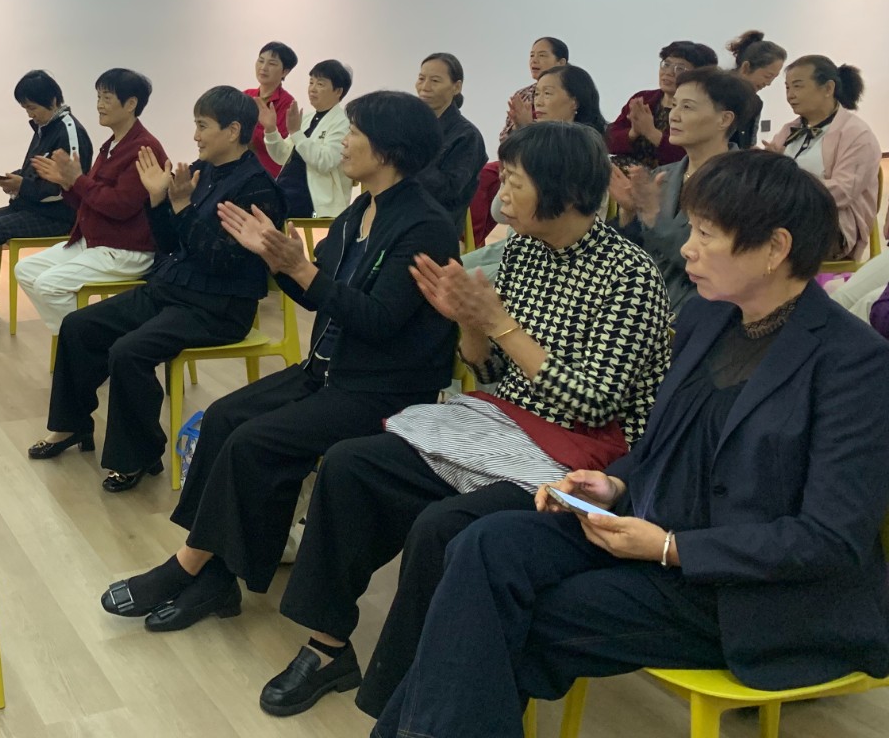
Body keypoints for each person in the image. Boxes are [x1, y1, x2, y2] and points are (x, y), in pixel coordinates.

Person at [373, 151, 889, 738]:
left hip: (744, 590)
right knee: (482, 544)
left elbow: (829, 539)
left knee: (507, 618)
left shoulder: (854, 363)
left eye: (706, 234)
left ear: (775, 247)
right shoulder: (708, 319)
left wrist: (671, 547)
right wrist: (614, 482)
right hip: (645, 530)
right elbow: (662, 442)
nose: (687, 248)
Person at [257, 122, 671, 720]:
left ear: (561, 189)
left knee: (442, 526)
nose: (502, 194)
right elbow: (490, 369)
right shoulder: (524, 251)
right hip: (509, 426)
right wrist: (469, 323)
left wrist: (497, 322)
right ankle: (327, 646)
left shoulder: (628, 274)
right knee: (352, 464)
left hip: (585, 457)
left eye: (515, 181)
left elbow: (592, 404)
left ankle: (409, 700)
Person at [98, 91, 458, 632]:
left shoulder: (423, 225)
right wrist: (280, 264)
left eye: (354, 133)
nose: (343, 143)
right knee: (223, 417)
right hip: (329, 370)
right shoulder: (360, 211)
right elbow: (320, 298)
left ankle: (189, 567)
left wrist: (301, 270)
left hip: (381, 388)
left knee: (254, 442)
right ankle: (216, 576)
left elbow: (380, 321)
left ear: (389, 149)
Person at [30, 86, 285, 492]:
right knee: (79, 326)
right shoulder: (200, 171)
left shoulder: (257, 188)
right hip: (172, 289)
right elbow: (169, 244)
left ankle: (139, 454)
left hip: (218, 307)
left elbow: (222, 262)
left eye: (203, 126)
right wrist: (158, 200)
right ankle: (71, 424)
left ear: (233, 130)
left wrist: (182, 208)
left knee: (128, 352)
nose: (195, 136)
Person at [15, 68, 168, 336]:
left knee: (49, 285)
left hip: (125, 250)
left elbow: (120, 206)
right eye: (98, 97)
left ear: (131, 104)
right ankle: (82, 341)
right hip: (95, 241)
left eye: (107, 98)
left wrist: (78, 180)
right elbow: (90, 201)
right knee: (25, 269)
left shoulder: (143, 148)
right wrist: (68, 184)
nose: (99, 105)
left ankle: (89, 342)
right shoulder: (112, 145)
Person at [611, 68, 755, 316]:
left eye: (687, 107)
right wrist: (628, 213)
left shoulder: (743, 181)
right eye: (674, 105)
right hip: (643, 307)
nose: (674, 116)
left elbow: (708, 260)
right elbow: (633, 253)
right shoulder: (663, 175)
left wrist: (653, 218)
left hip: (706, 312)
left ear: (724, 119)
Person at [0, 70, 92, 333]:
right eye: (25, 108)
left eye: (32, 108)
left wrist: (23, 186)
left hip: (59, 216)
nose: (30, 114)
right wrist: (16, 179)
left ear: (52, 100)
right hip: (30, 207)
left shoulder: (69, 132)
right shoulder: (45, 127)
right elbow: (38, 173)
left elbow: (67, 187)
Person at [470, 64, 605, 249]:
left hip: (554, 251)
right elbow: (499, 213)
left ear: (574, 101)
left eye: (547, 94)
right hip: (517, 245)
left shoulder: (588, 155)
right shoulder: (531, 147)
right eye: (536, 94)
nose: (538, 102)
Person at [769, 55, 880, 262]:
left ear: (828, 88)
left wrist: (788, 187)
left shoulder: (857, 134)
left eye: (798, 86)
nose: (790, 95)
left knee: (759, 241)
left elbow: (842, 191)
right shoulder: (790, 129)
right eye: (787, 88)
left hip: (831, 227)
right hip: (786, 217)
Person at [264, 59, 354, 219]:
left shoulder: (343, 123)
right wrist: (271, 130)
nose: (312, 89)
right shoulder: (306, 118)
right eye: (311, 82)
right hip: (285, 193)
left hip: (313, 204)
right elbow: (281, 157)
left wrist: (296, 133)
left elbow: (325, 162)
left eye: (320, 84)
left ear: (338, 91)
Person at [606, 40, 718, 169]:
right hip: (624, 170)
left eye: (679, 69)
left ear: (699, 75)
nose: (668, 72)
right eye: (666, 64)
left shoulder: (700, 109)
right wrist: (633, 132)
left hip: (671, 177)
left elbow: (691, 155)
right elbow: (608, 142)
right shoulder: (643, 99)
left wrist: (650, 132)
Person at [412, 52, 488, 219]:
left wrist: (409, 155)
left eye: (435, 81)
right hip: (398, 213)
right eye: (421, 78)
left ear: (456, 87)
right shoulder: (410, 124)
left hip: (432, 222)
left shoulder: (468, 136)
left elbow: (448, 191)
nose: (425, 87)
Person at [499, 37, 569, 142]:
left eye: (542, 55)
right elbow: (504, 142)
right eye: (532, 56)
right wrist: (518, 127)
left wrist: (529, 127)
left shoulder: (571, 90)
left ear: (561, 62)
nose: (534, 60)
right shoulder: (522, 95)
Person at [726, 30, 787, 149]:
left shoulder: (755, 103)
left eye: (774, 78)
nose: (769, 83)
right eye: (767, 76)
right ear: (746, 67)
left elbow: (749, 143)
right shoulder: (714, 92)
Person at [247, 41, 298, 176]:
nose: (263, 67)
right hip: (239, 165)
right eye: (261, 61)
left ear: (285, 71)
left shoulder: (288, 103)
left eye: (272, 64)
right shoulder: (246, 95)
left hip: (266, 172)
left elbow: (279, 144)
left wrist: (245, 131)